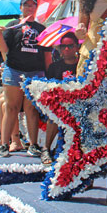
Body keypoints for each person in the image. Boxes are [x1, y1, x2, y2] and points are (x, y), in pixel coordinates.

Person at [0, 0, 52, 158]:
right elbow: (3, 49)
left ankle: (33, 144)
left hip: (35, 72)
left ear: (36, 7)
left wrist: (48, 76)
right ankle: (4, 144)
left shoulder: (41, 29)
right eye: (26, 5)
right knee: (11, 107)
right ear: (21, 7)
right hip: (14, 70)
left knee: (31, 108)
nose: (29, 7)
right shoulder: (12, 26)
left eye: (32, 5)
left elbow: (47, 55)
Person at [42, 32, 80, 165]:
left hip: (78, 104)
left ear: (77, 47)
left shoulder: (82, 66)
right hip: (60, 105)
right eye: (63, 46)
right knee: (54, 113)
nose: (66, 49)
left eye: (70, 46)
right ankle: (46, 148)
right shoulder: (54, 67)